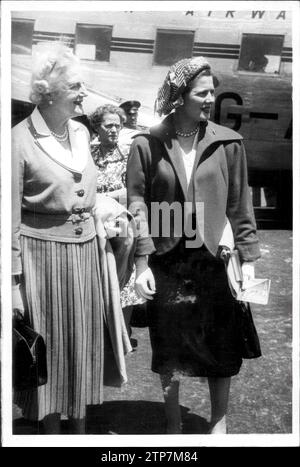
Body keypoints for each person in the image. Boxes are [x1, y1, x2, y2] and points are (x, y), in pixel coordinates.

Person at [127, 57, 261, 434]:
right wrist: (141, 262)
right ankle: (173, 426)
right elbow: (136, 203)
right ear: (179, 96)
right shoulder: (147, 142)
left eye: (212, 91)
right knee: (169, 346)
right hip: (168, 260)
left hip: (214, 258)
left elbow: (240, 204)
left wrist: (247, 259)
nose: (211, 99)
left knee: (222, 342)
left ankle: (220, 424)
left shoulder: (229, 143)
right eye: (202, 92)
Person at [12, 42, 132, 434]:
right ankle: (51, 434)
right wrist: (14, 282)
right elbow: (9, 217)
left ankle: (79, 432)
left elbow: (89, 193)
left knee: (83, 341)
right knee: (51, 344)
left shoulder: (80, 131)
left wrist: (112, 212)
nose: (84, 93)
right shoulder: (18, 140)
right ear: (49, 91)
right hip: (40, 255)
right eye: (76, 85)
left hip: (87, 253)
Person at [89, 104, 143, 347]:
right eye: (108, 125)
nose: (113, 130)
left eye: (117, 126)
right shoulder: (87, 153)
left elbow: (135, 190)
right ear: (96, 127)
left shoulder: (129, 153)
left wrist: (108, 197)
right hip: (95, 224)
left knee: (126, 277)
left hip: (121, 223)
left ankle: (123, 334)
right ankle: (99, 335)